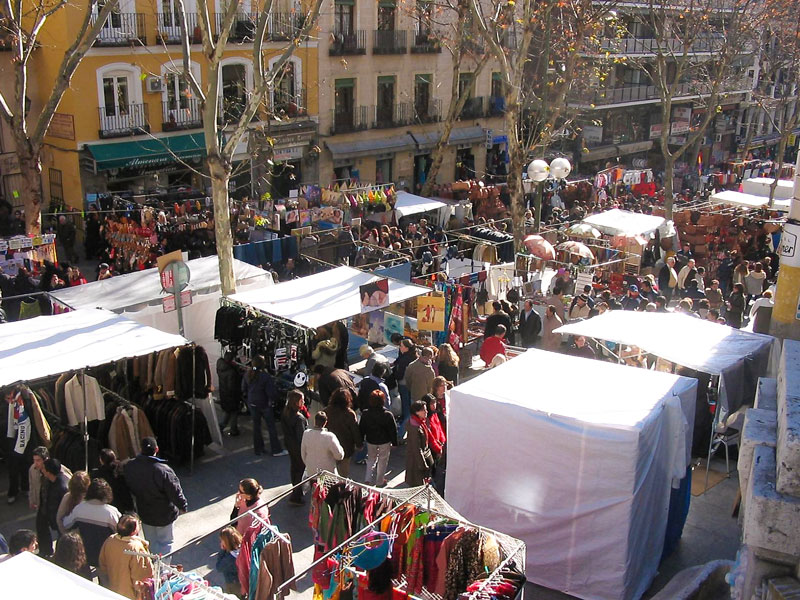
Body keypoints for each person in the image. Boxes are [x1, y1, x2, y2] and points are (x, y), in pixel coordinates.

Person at [123, 437, 188, 555]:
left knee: (150, 543)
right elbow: (174, 491)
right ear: (156, 449)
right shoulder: (163, 470)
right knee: (166, 543)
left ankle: (153, 565)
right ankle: (163, 570)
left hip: (145, 512)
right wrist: (182, 506)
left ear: (140, 449)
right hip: (165, 514)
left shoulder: (130, 466)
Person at [64, 478, 121, 566]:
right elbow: (121, 533)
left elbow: (66, 524)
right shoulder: (111, 513)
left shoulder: (79, 509)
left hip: (86, 554)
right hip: (106, 556)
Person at [99, 513, 154, 600]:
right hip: (130, 592)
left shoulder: (110, 540)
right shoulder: (136, 547)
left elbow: (102, 563)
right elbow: (141, 574)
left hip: (113, 586)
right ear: (133, 530)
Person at [241, 355, 287, 457]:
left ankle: (258, 449)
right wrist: (275, 399)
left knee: (256, 427)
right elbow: (271, 393)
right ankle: (276, 450)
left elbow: (243, 388)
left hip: (252, 403)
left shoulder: (248, 374)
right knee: (271, 427)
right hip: (264, 403)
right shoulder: (265, 376)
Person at [359, 390, 398, 486]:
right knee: (382, 461)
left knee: (370, 460)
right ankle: (380, 481)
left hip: (370, 440)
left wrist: (360, 442)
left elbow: (361, 428)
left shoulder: (365, 413)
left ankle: (367, 479)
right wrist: (395, 443)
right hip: (384, 441)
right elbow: (393, 430)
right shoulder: (388, 415)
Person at [280, 390, 308, 506]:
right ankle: (296, 495)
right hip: (298, 447)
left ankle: (295, 489)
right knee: (300, 471)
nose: (304, 402)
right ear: (297, 402)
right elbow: (301, 436)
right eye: (302, 400)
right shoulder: (299, 418)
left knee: (294, 468)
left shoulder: (286, 413)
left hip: (290, 445)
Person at [91, 449, 135, 513]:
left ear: (101, 460)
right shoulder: (120, 470)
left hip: (107, 506)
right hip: (123, 504)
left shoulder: (97, 474)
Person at [392, 339, 418, 438]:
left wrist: (394, 373)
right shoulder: (412, 356)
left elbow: (399, 375)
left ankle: (401, 432)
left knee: (406, 407)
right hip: (411, 384)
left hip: (403, 384)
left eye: (402, 346)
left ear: (406, 348)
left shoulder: (404, 360)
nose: (400, 347)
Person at [405, 400, 433, 487]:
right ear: (417, 412)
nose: (426, 412)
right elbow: (417, 449)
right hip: (416, 463)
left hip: (420, 459)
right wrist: (423, 466)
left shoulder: (420, 422)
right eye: (423, 410)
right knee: (417, 487)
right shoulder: (415, 427)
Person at [42, 459, 69, 549]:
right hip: (54, 520)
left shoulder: (62, 487)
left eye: (43, 469)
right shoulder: (50, 482)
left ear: (49, 472)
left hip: (61, 522)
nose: (42, 470)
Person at [216, 351, 243, 437]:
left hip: (224, 394)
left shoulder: (221, 368)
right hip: (231, 396)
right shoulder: (231, 372)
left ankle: (224, 428)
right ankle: (232, 429)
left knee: (228, 412)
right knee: (233, 412)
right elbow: (232, 387)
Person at [56, 470, 90, 534]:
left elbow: (59, 518)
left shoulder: (67, 497)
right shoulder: (68, 497)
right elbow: (59, 518)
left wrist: (65, 533)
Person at [216, 526, 242, 595]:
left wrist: (222, 550)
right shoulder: (242, 548)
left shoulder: (230, 559)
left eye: (222, 540)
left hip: (233, 583)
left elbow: (219, 567)